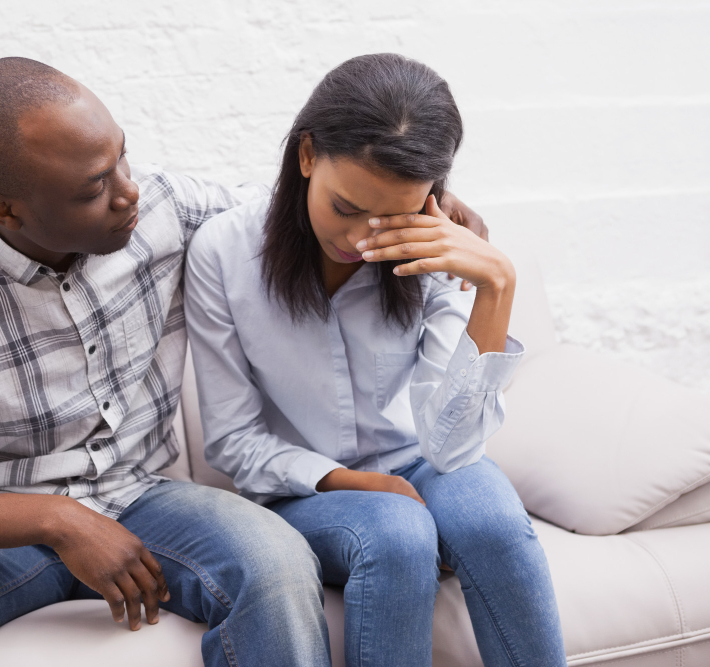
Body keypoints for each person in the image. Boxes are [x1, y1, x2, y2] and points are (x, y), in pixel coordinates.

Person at [0, 56, 486, 666]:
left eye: (122, 161)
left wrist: (418, 210)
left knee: (277, 562)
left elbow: (296, 213)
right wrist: (57, 520)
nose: (129, 193)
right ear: (5, 208)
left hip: (142, 499)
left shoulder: (168, 210)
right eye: (93, 188)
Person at [185, 53, 567, 667]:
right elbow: (233, 441)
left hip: (421, 462)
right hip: (304, 489)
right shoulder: (224, 253)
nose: (363, 238)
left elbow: (450, 449)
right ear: (307, 155)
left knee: (492, 525)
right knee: (396, 534)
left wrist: (494, 287)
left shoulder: (439, 251)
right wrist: (356, 483)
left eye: (391, 215)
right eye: (345, 207)